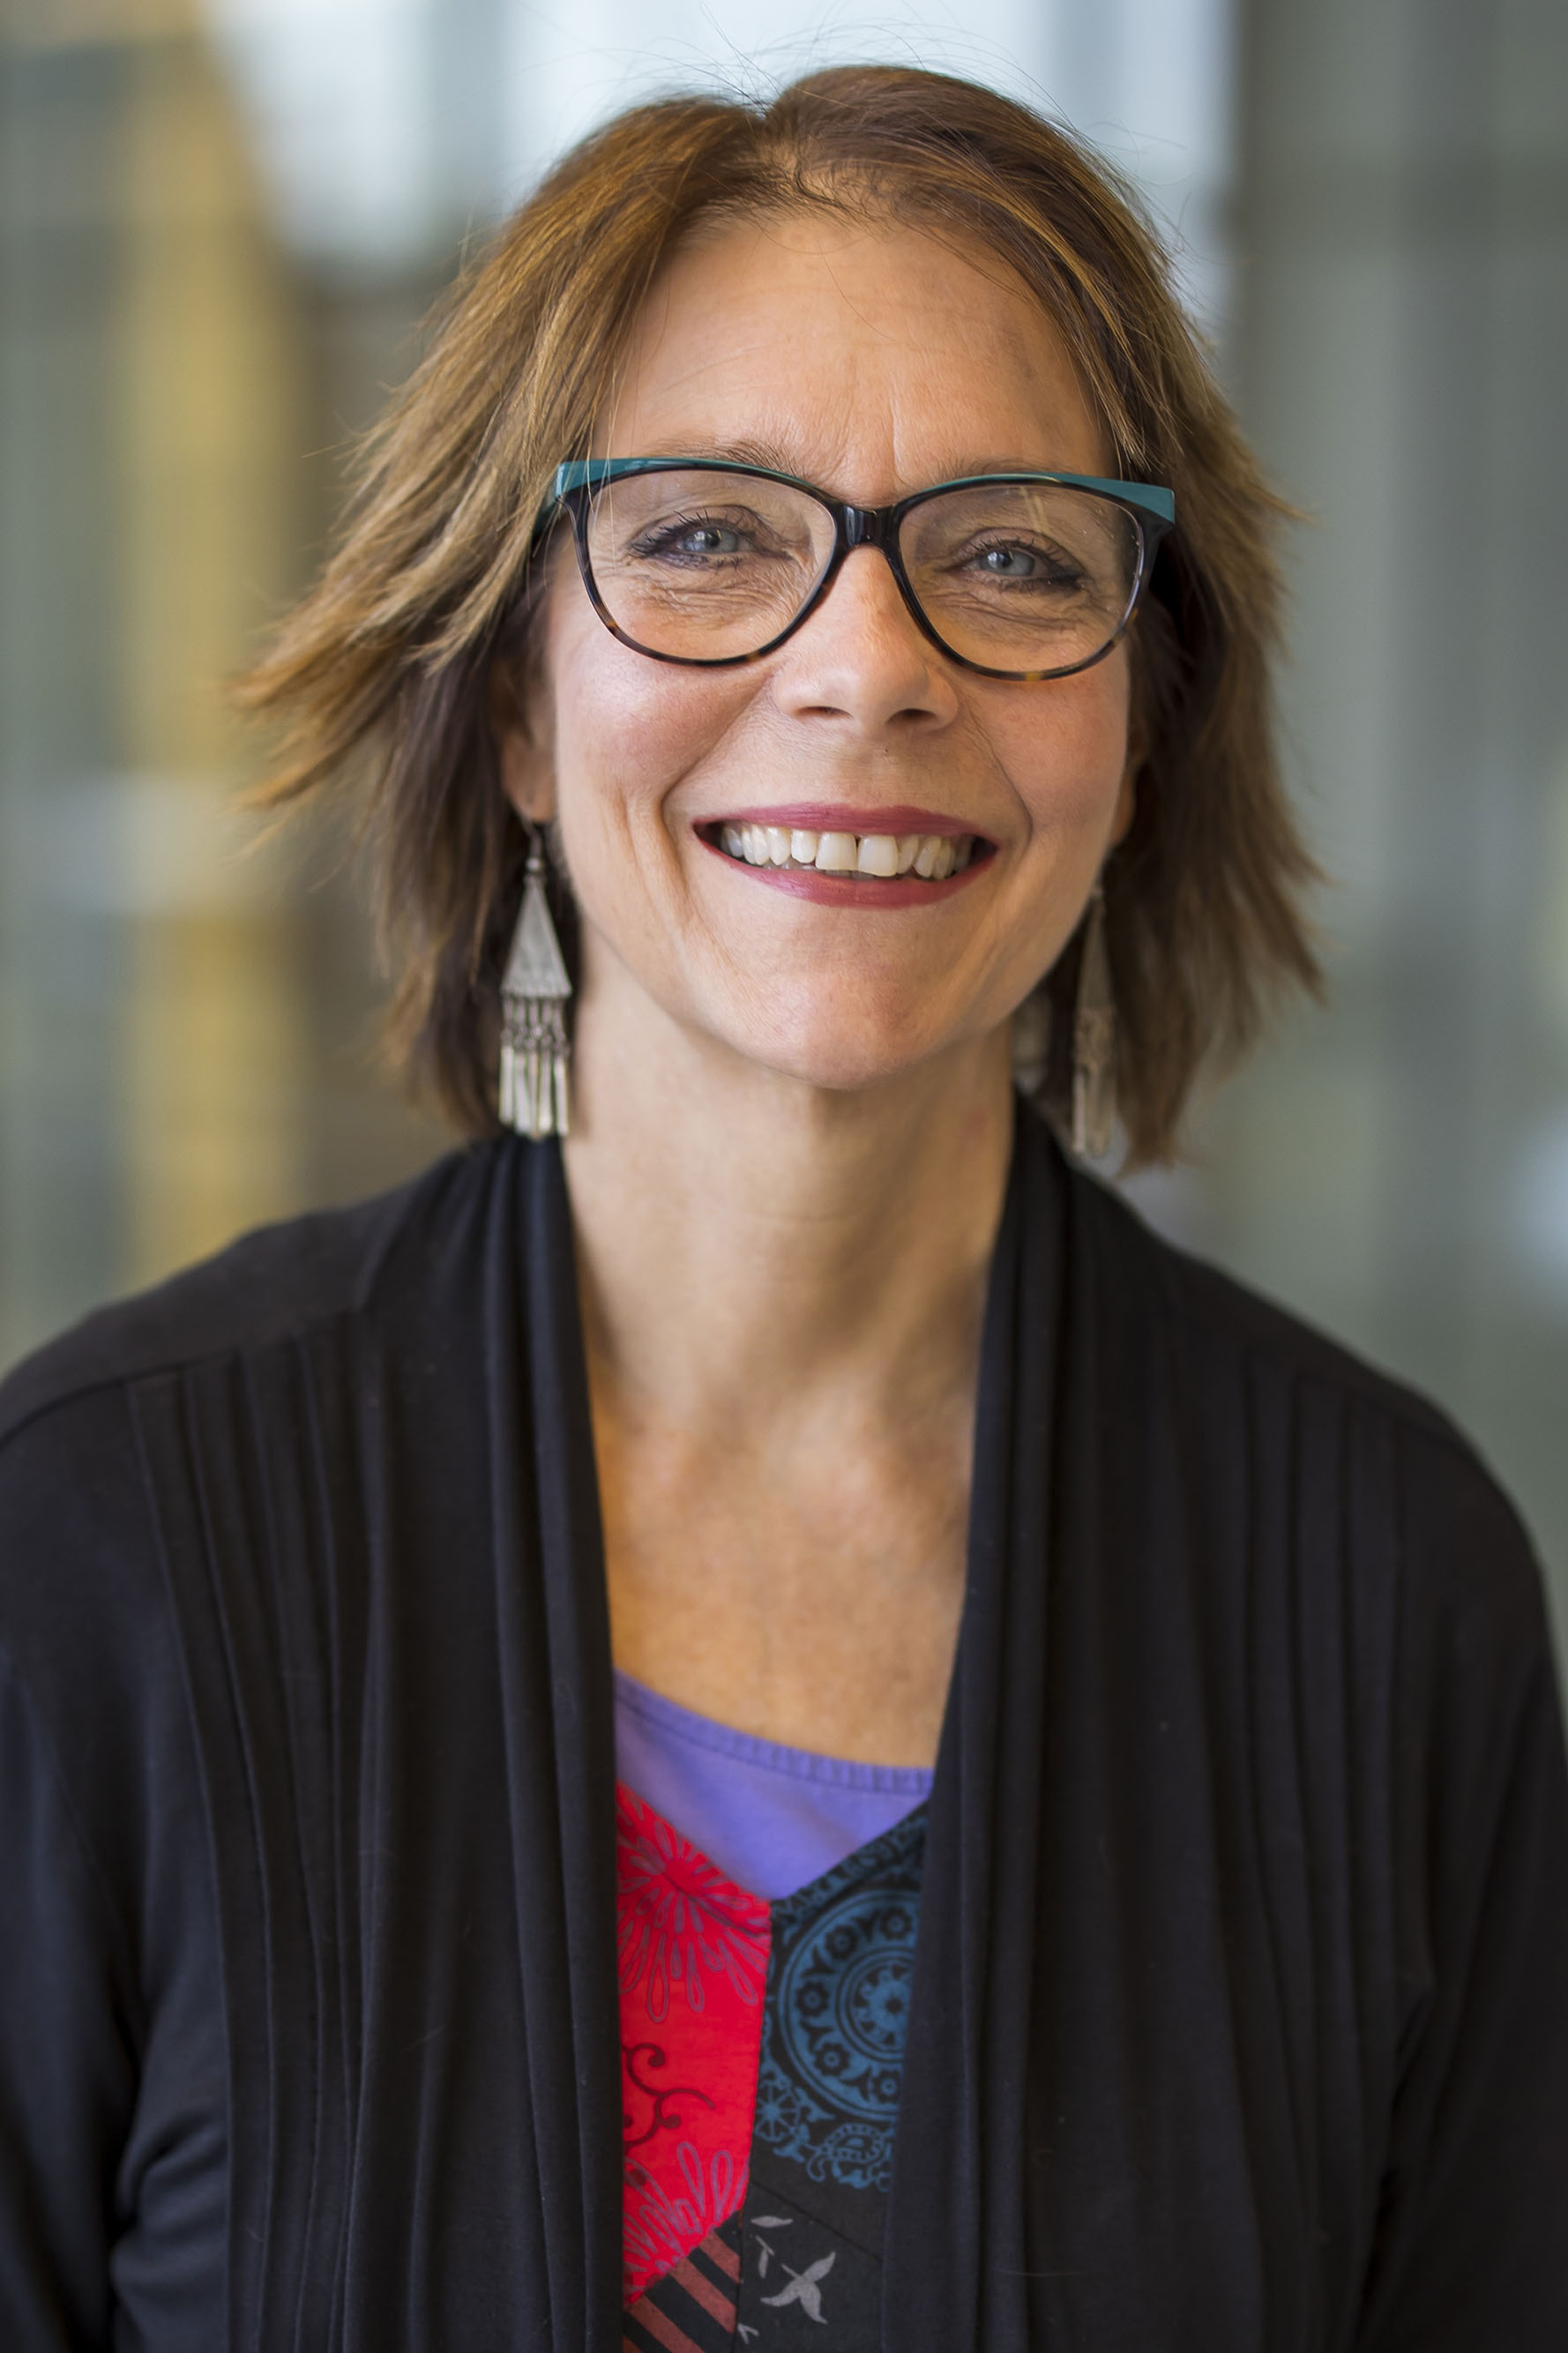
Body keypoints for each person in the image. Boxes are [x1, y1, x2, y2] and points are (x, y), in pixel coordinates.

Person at [0, 63, 1563, 2353]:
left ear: (1137, 730)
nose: (863, 664)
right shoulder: (98, 1542)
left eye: (1013, 552)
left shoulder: (1379, 1583)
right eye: (708, 532)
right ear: (519, 699)